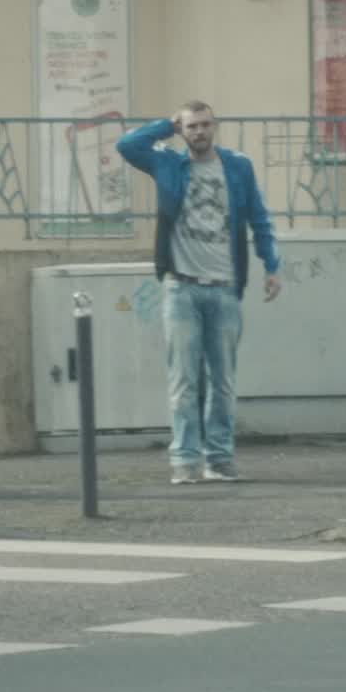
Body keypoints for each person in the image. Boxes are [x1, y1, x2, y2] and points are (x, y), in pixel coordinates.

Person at [117, 100, 283, 485]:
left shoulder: (237, 166)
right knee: (184, 382)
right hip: (181, 287)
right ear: (184, 130)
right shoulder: (168, 163)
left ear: (215, 126)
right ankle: (185, 461)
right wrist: (167, 124)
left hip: (225, 288)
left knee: (223, 382)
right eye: (191, 126)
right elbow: (127, 146)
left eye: (205, 125)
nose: (199, 132)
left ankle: (219, 459)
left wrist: (271, 265)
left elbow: (258, 217)